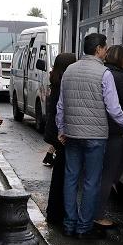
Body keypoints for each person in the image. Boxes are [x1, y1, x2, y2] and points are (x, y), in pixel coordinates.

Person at [56, 33, 123, 239]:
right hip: (95, 136)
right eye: (105, 48)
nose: (106, 51)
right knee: (91, 181)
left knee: (71, 179)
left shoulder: (69, 70)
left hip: (72, 134)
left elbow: (61, 105)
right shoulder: (104, 74)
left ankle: (69, 225)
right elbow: (113, 108)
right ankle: (84, 227)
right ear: (98, 50)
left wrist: (61, 129)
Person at [94, 46, 123, 229]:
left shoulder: (103, 72)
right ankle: (98, 215)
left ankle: (112, 180)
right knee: (107, 175)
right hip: (112, 130)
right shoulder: (119, 76)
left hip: (98, 128)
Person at [43, 53, 77, 225]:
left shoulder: (55, 81)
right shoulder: (63, 83)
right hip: (60, 134)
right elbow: (60, 111)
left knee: (60, 172)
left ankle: (54, 211)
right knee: (63, 174)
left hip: (55, 132)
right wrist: (61, 133)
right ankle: (56, 213)